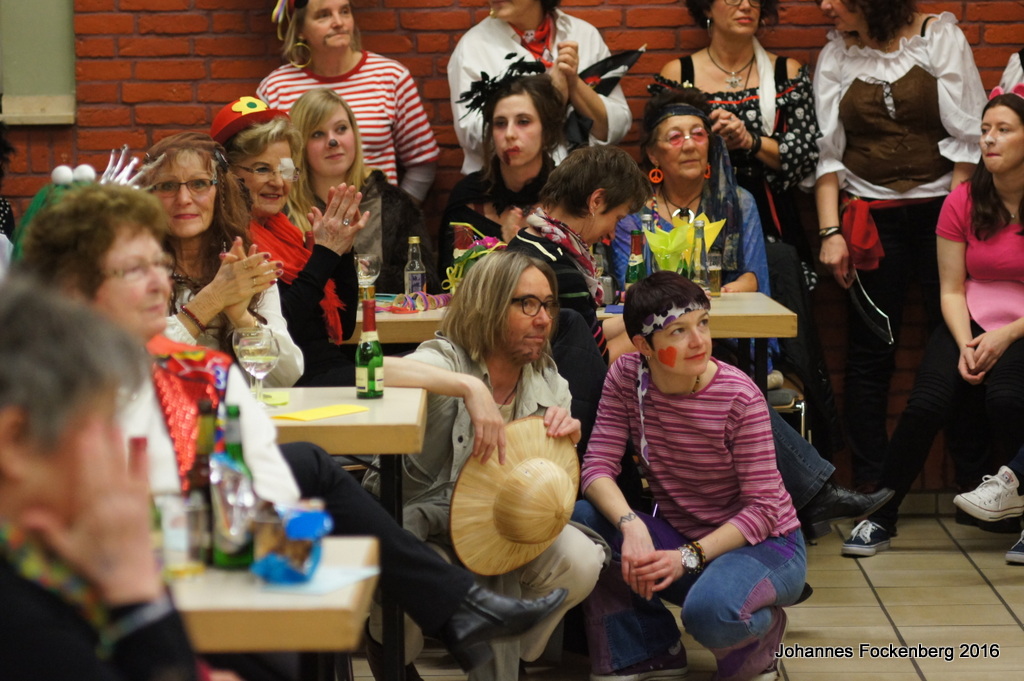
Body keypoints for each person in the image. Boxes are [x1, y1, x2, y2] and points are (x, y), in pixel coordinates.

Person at [18, 183, 569, 679]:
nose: (159, 282)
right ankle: (454, 610)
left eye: (159, 265)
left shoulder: (198, 370)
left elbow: (266, 457)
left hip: (208, 551)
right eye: (133, 270)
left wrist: (284, 543)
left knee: (304, 503)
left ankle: (450, 610)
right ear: (73, 289)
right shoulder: (42, 387)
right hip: (103, 582)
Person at [362, 250, 608, 681]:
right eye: (527, 303)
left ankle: (512, 657)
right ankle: (389, 649)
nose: (543, 318)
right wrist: (469, 389)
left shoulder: (549, 383)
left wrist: (562, 444)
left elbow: (542, 487)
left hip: (497, 528)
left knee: (581, 558)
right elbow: (374, 371)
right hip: (425, 523)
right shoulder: (448, 360)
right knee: (411, 580)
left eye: (548, 305)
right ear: (489, 305)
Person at [574, 271, 806, 681]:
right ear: (643, 345)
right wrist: (630, 525)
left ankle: (762, 636)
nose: (699, 341)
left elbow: (764, 510)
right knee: (584, 521)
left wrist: (687, 556)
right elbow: (596, 467)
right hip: (685, 540)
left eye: (703, 323)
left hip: (768, 545)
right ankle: (649, 648)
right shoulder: (627, 376)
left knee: (708, 613)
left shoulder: (739, 396)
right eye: (678, 331)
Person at [810, 0, 985, 490]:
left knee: (958, 341)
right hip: (870, 218)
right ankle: (874, 488)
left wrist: (955, 222)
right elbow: (827, 155)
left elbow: (969, 141)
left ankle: (974, 481)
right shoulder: (837, 55)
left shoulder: (938, 38)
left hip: (943, 214)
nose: (825, 6)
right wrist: (830, 232)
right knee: (871, 351)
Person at [844, 91, 1024, 557]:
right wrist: (966, 343)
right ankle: (879, 516)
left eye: (1003, 130)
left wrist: (1005, 336)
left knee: (1007, 400)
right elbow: (950, 288)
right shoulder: (963, 199)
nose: (989, 139)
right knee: (926, 404)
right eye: (985, 130)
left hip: (1021, 327)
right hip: (970, 318)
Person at [0, 277, 198, 681]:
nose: (116, 451)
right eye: (102, 427)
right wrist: (136, 585)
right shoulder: (22, 625)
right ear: (15, 440)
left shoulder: (35, 562)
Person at [212, 96, 365, 386]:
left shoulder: (286, 234)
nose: (278, 182)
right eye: (262, 169)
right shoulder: (232, 243)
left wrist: (342, 250)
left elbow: (342, 329)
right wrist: (325, 255)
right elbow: (281, 331)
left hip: (331, 371)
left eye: (284, 170)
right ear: (228, 174)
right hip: (298, 384)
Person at [659, 0, 819, 267]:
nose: (746, 6)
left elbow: (807, 155)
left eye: (754, 0)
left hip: (771, 211)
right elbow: (661, 148)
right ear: (707, 8)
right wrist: (708, 138)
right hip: (699, 207)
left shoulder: (786, 72)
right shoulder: (679, 74)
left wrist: (750, 141)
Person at [140, 131, 304, 389]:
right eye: (168, 186)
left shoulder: (242, 266)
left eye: (199, 184)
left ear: (220, 192)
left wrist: (243, 320)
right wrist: (211, 301)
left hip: (232, 409)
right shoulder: (131, 270)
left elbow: (285, 377)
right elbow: (133, 371)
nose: (184, 199)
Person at [259, 0, 439, 203]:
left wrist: (398, 213)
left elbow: (422, 163)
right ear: (300, 29)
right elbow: (270, 166)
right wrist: (293, 211)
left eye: (345, 11)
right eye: (324, 15)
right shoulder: (275, 88)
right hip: (304, 217)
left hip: (376, 213)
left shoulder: (391, 77)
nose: (338, 22)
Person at [611, 87, 770, 297]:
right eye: (675, 137)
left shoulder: (737, 202)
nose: (689, 146)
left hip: (723, 312)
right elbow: (630, 286)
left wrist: (716, 294)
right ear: (653, 154)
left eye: (698, 134)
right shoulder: (633, 212)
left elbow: (753, 278)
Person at [448, 0, 632, 175]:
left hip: (583, 183)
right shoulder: (473, 47)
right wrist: (552, 97)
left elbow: (616, 127)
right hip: (506, 187)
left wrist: (574, 82)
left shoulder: (583, 34)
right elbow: (474, 136)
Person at [288, 87, 440, 294]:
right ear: (299, 144)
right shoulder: (284, 207)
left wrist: (358, 274)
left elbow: (427, 283)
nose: (333, 141)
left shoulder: (394, 203)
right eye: (317, 134)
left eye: (341, 129)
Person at [506, 145, 650, 363]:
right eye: (617, 218)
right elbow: (597, 360)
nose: (612, 233)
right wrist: (657, 325)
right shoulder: (559, 268)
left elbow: (589, 332)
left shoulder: (525, 239)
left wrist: (645, 312)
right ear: (596, 201)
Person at [439, 74, 564, 279]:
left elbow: (580, 284)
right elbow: (451, 283)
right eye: (500, 123)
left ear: (547, 131)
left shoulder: (567, 195)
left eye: (523, 121)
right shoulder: (468, 200)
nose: (509, 134)